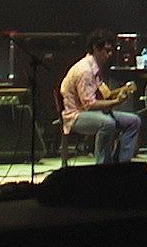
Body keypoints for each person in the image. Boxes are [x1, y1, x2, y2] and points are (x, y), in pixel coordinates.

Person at [60, 28, 140, 164]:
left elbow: (105, 95)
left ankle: (121, 162)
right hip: (76, 116)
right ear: (95, 48)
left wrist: (123, 90)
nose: (109, 54)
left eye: (111, 50)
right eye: (106, 50)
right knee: (107, 123)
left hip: (90, 111)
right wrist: (116, 102)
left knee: (134, 121)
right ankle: (102, 164)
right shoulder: (85, 71)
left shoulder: (94, 68)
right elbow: (89, 105)